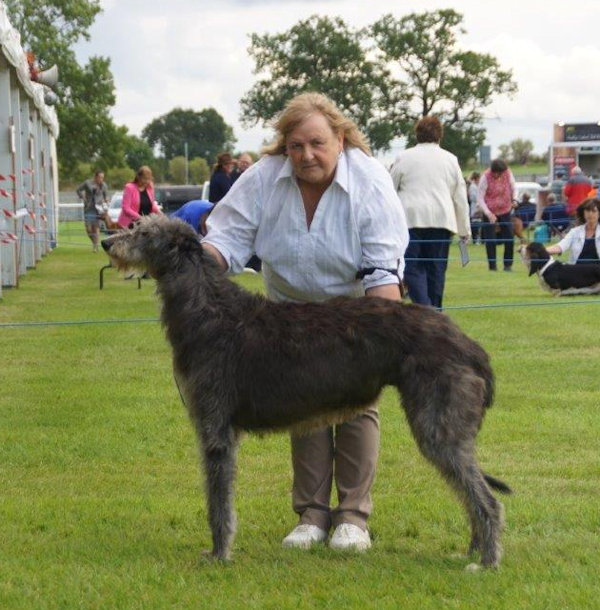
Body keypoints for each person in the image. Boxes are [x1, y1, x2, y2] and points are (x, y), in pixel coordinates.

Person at [201, 92, 408, 552]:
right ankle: (311, 516)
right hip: (288, 312)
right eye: (296, 146)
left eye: (317, 143)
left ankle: (353, 518)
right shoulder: (263, 177)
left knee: (357, 404)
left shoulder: (370, 180)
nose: (306, 155)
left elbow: (383, 263)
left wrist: (386, 333)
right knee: (303, 405)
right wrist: (188, 259)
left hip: (354, 307)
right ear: (284, 146)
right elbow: (227, 239)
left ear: (340, 138)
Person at [389, 115, 470, 308]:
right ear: (440, 136)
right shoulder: (451, 160)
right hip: (442, 222)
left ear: (417, 135)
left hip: (411, 221)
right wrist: (465, 230)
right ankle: (434, 311)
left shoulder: (404, 157)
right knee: (436, 270)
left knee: (410, 269)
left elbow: (389, 189)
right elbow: (460, 197)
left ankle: (426, 310)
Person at [477, 158, 517, 271]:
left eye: (501, 173)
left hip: (505, 209)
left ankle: (508, 265)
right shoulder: (485, 177)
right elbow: (480, 198)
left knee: (509, 237)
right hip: (489, 210)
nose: (499, 175)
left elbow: (514, 187)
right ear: (492, 171)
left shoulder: (507, 173)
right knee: (490, 240)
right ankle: (492, 266)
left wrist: (515, 200)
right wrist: (488, 213)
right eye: (496, 173)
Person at [545, 198, 600, 264]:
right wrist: (539, 251)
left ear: (599, 214)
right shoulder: (574, 232)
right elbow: (560, 247)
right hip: (576, 271)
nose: (590, 214)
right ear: (583, 213)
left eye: (594, 211)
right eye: (587, 211)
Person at [76, 170, 108, 252]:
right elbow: (78, 189)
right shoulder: (87, 183)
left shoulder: (104, 185)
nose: (101, 179)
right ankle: (94, 242)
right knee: (89, 229)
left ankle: (96, 246)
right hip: (89, 208)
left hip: (99, 209)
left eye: (102, 178)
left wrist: (106, 203)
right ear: (95, 177)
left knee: (96, 227)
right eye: (100, 177)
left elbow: (106, 196)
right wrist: (82, 197)